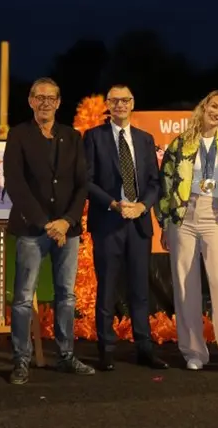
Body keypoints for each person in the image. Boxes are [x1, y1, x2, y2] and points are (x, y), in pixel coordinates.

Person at [3, 77, 95, 384]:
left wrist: (67, 221)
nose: (45, 103)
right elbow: (15, 183)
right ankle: (21, 360)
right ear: (30, 101)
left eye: (51, 98)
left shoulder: (72, 137)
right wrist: (46, 223)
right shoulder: (18, 135)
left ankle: (66, 356)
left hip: (66, 229)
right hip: (32, 228)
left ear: (58, 102)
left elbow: (82, 184)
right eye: (39, 97)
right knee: (23, 298)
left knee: (66, 296)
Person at [156, 89, 218, 375]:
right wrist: (164, 222)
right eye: (214, 106)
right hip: (182, 218)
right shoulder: (180, 143)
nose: (217, 112)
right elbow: (166, 183)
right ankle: (193, 351)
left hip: (213, 217)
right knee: (185, 285)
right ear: (204, 106)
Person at [83, 85, 169, 371]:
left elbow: (155, 182)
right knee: (107, 288)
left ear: (133, 103)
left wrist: (143, 206)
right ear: (108, 104)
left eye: (125, 100)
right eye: (114, 100)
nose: (120, 105)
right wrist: (113, 204)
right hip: (109, 222)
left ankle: (144, 348)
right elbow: (87, 180)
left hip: (139, 223)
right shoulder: (94, 137)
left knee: (140, 290)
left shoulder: (145, 140)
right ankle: (106, 350)